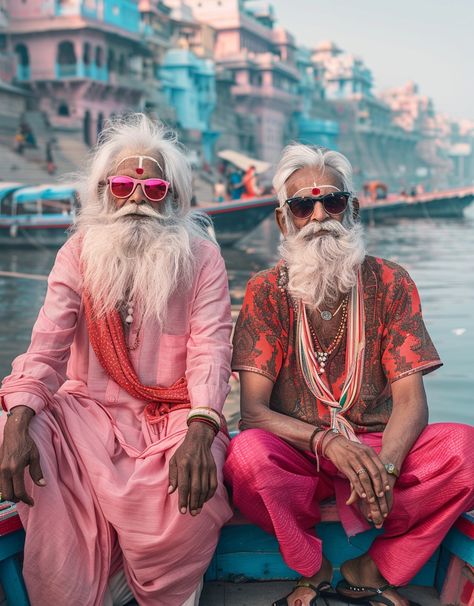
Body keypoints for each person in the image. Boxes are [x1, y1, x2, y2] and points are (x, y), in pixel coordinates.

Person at [224, 143, 474, 606]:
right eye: (303, 205)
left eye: (332, 201)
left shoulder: (391, 281)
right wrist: (327, 443)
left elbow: (411, 403)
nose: (319, 216)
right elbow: (254, 414)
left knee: (466, 450)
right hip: (301, 453)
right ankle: (310, 565)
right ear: (285, 220)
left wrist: (386, 467)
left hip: (380, 450)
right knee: (245, 458)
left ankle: (372, 569)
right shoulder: (264, 290)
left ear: (352, 210)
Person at [0, 114, 233, 606]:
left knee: (195, 481)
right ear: (105, 193)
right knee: (12, 432)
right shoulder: (78, 252)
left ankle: (149, 582)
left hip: (170, 418)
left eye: (151, 188)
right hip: (86, 413)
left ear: (171, 198)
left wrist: (202, 427)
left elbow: (211, 349)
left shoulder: (201, 258)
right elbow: (47, 346)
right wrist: (18, 417)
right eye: (124, 185)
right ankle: (90, 579)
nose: (136, 199)